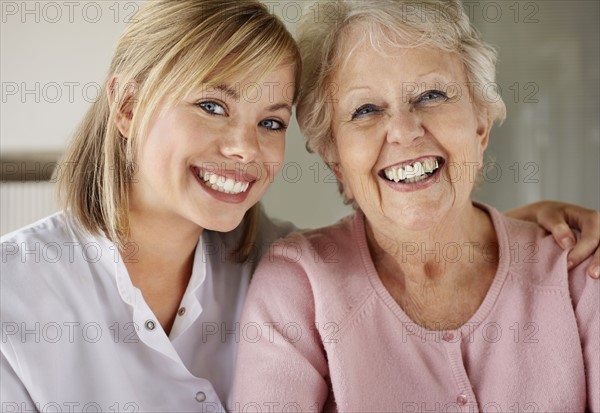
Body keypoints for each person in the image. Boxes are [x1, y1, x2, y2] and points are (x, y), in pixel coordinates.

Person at [0, 0, 597, 411]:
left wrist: (525, 234)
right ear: (127, 108)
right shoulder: (14, 295)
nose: (243, 147)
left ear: (483, 125)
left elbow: (416, 228)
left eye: (270, 121)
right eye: (211, 105)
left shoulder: (267, 257)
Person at [231, 0, 600, 411]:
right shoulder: (299, 288)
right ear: (334, 156)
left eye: (431, 95)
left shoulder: (580, 271)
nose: (404, 131)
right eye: (366, 110)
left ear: (480, 123)